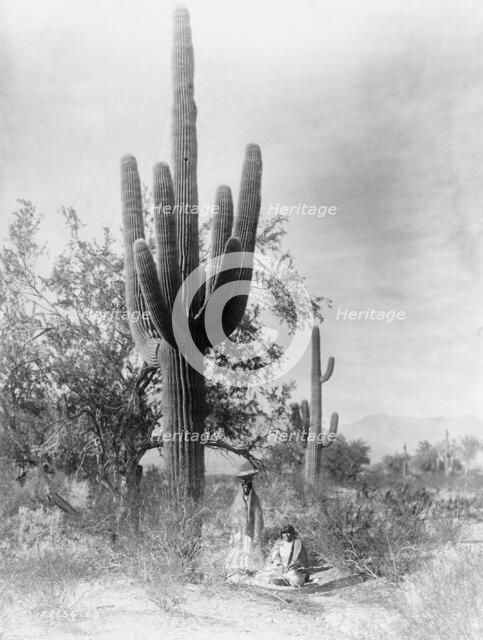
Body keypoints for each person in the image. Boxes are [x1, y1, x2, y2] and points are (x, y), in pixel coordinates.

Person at [224, 469, 265, 575]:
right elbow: (234, 515)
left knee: (249, 546)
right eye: (244, 486)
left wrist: (256, 531)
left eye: (248, 486)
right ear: (242, 487)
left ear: (251, 487)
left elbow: (258, 516)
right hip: (239, 530)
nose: (246, 488)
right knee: (238, 547)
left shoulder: (255, 499)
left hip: (250, 531)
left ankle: (249, 570)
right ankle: (236, 569)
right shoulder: (238, 500)